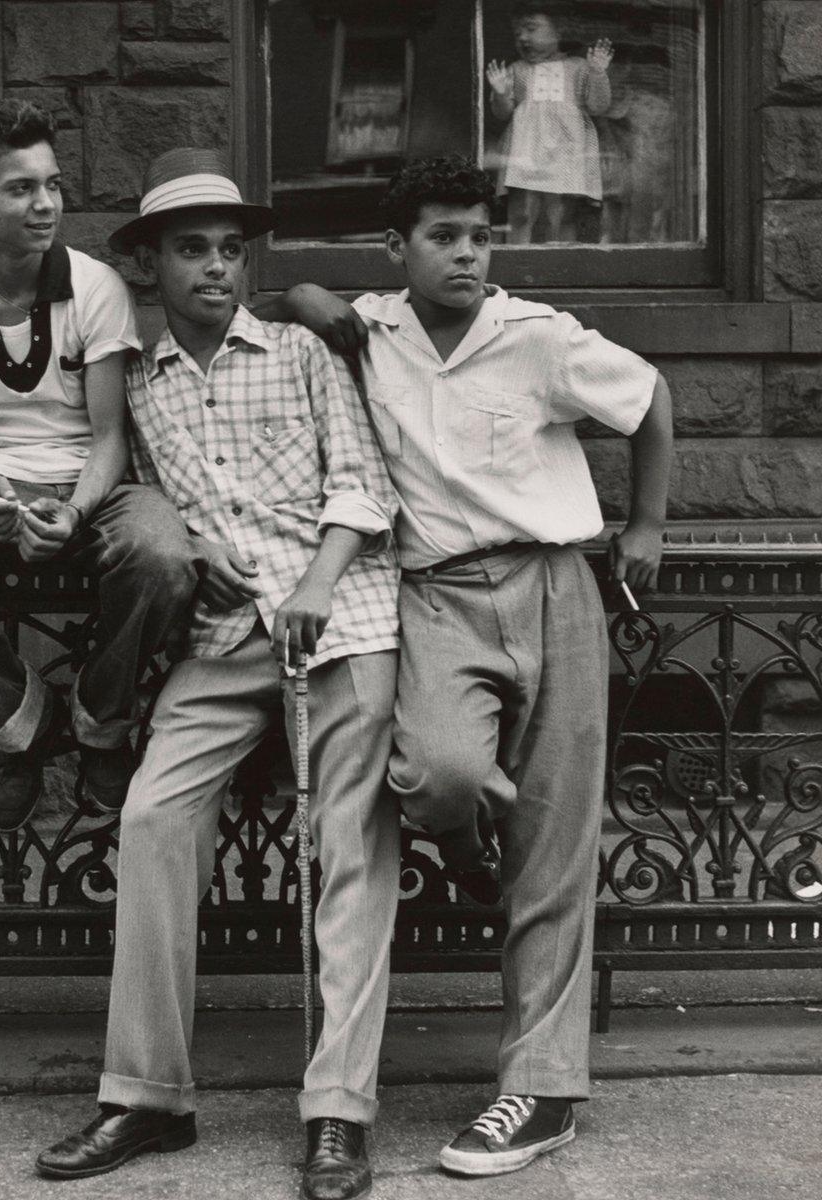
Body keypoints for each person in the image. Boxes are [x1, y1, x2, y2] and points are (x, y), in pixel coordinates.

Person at [265, 154, 673, 1176]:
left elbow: (650, 397)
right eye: (442, 236)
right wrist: (314, 298)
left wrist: (647, 524)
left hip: (555, 588)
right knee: (436, 772)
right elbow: (292, 299)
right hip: (439, 592)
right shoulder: (374, 331)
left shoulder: (534, 337)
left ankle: (537, 1092)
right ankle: (466, 840)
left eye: (478, 236)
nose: (464, 254)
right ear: (395, 249)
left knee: (557, 842)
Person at [36, 149, 401, 1200]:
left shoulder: (297, 354)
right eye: (191, 250)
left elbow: (362, 487)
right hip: (226, 638)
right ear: (149, 266)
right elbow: (135, 513)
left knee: (349, 847)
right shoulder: (136, 389)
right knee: (153, 820)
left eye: (231, 250)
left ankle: (337, 1113)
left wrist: (320, 584)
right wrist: (195, 548)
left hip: (339, 622)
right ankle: (147, 1096)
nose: (215, 269)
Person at [0, 99, 200, 833]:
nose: (46, 203)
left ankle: (100, 722)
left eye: (52, 184)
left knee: (163, 555)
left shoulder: (94, 287)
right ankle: (22, 721)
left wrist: (75, 510)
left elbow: (112, 436)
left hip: (95, 486)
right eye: (21, 188)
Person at [486, 2, 613, 243]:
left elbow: (598, 106)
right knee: (522, 210)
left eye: (531, 29)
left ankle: (562, 262)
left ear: (559, 31)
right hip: (526, 149)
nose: (523, 37)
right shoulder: (517, 69)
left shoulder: (578, 67)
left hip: (567, 150)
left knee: (563, 211)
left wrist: (597, 73)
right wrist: (501, 93)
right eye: (518, 34)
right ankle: (519, 259)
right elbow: (502, 114)